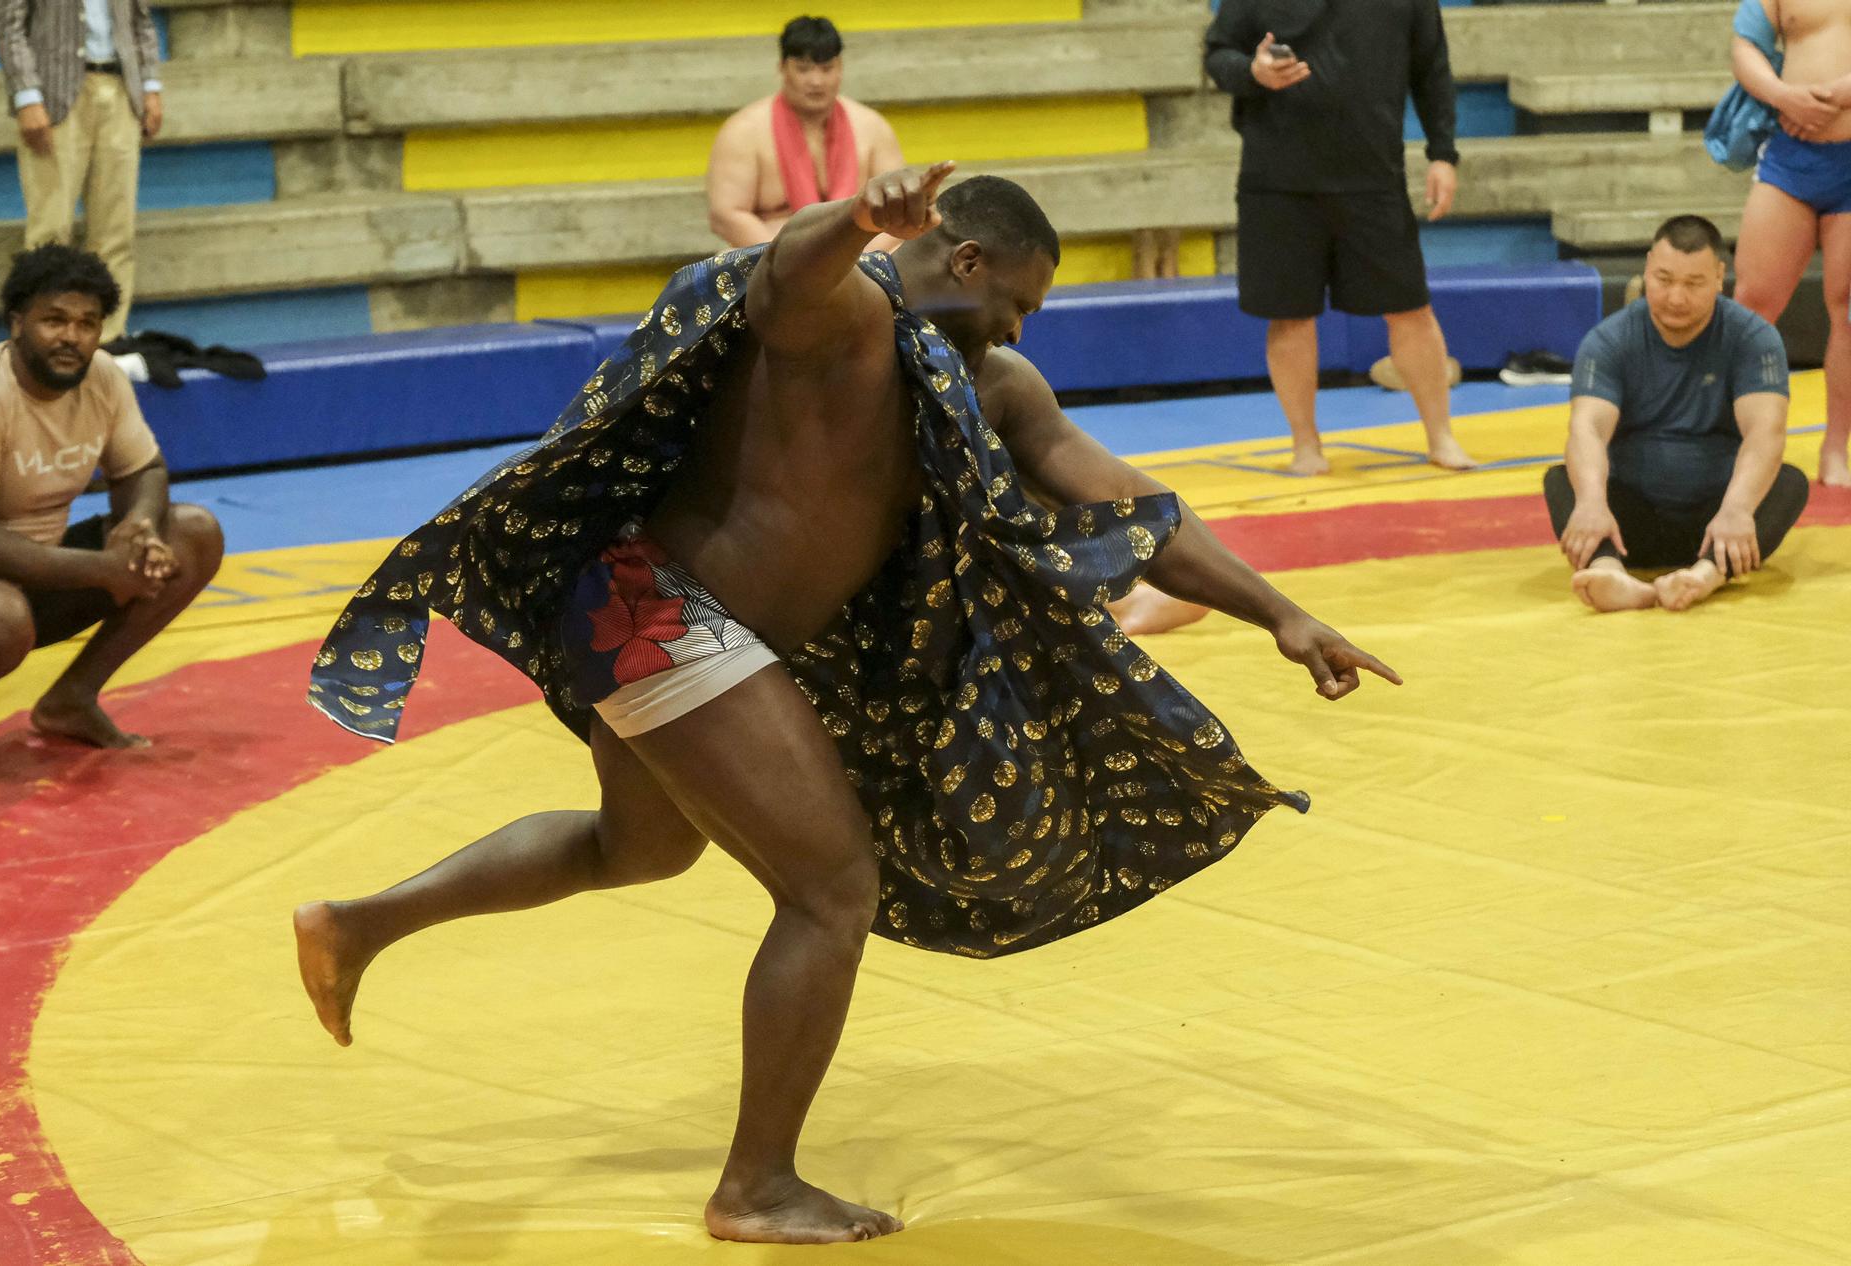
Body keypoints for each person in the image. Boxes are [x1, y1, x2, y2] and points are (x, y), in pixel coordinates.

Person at [294, 165, 1400, 1245]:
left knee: (637, 849)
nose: (1017, 331)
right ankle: (754, 1185)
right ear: (963, 260)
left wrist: (1277, 612)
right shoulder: (850, 321)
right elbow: (783, 278)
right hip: (662, 615)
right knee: (832, 888)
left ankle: (356, 925)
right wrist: (853, 218)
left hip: (661, 625)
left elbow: (1122, 496)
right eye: (1014, 301)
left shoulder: (992, 386)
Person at [0, 245, 223, 782]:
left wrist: (139, 528)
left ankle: (71, 699)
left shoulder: (103, 377)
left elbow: (144, 471)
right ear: (18, 323)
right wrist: (107, 570)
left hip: (35, 575)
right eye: (54, 319)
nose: (72, 336)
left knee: (193, 533)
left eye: (87, 323)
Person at [1203, 0, 1475, 475]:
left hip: (1373, 173)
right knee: (1289, 315)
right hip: (1277, 178)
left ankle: (1441, 435)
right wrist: (1253, 71)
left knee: (1411, 307)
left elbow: (1432, 67)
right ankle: (1305, 444)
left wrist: (1443, 153)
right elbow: (1216, 56)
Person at [1547, 217, 1810, 613]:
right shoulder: (1609, 340)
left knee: (1788, 483)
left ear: (1720, 277)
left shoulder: (1752, 338)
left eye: (1693, 284)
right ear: (1648, 267)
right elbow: (1587, 427)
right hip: (1627, 524)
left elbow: (1765, 432)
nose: (1676, 298)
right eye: (1664, 279)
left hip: (1717, 521)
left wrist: (1736, 509)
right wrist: (1591, 503)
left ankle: (1705, 576)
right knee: (1562, 481)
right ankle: (1608, 570)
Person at [1728, 0, 1851, 487]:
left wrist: (1845, 92)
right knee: (1751, 305)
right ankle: (1730, 438)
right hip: (1791, 157)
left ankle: (1836, 446)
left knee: (1846, 310)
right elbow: (1745, 46)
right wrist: (1783, 94)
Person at [0, 0, 164, 343]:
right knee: (50, 230)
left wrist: (150, 86)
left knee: (116, 229)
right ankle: (44, 340)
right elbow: (9, 25)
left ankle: (107, 338)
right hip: (54, 95)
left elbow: (140, 20)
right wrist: (26, 96)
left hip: (120, 89)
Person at [705, 15, 904, 249]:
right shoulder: (744, 132)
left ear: (840, 68)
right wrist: (789, 261)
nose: (816, 81)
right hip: (770, 262)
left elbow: (899, 212)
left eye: (826, 68)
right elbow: (726, 216)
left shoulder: (872, 128)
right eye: (803, 69)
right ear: (782, 67)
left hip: (859, 259)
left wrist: (855, 261)